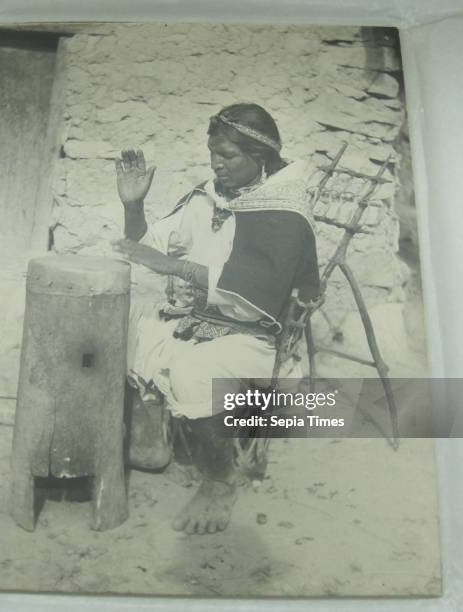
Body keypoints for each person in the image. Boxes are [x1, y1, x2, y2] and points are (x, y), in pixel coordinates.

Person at [113, 103, 320, 535]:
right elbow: (147, 245)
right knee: (121, 324)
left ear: (259, 157)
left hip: (254, 335)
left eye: (227, 156)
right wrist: (134, 206)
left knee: (195, 372)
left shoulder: (283, 212)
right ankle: (151, 441)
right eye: (213, 154)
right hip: (199, 318)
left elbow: (255, 298)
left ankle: (219, 481)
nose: (216, 165)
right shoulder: (210, 196)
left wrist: (177, 269)